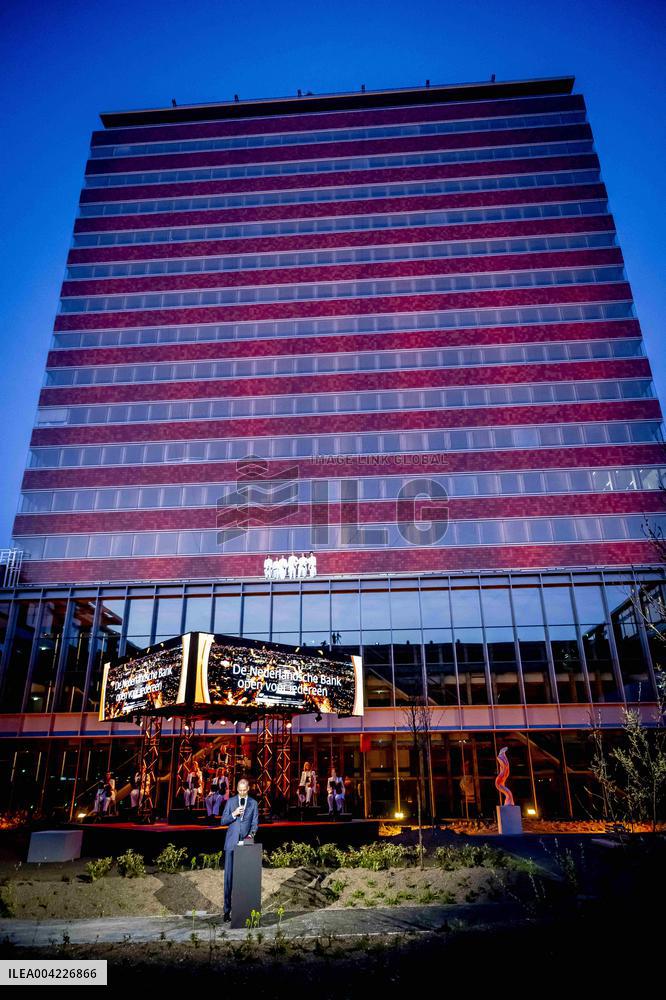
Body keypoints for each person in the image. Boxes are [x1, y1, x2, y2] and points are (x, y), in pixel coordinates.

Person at [221, 777, 259, 921]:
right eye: (240, 790)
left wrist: (250, 836)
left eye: (245, 790)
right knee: (229, 879)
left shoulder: (253, 804)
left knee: (244, 879)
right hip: (231, 844)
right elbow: (223, 820)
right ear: (237, 789)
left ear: (248, 789)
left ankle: (243, 911)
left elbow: (255, 824)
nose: (242, 793)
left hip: (246, 845)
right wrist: (233, 814)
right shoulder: (230, 802)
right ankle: (226, 911)